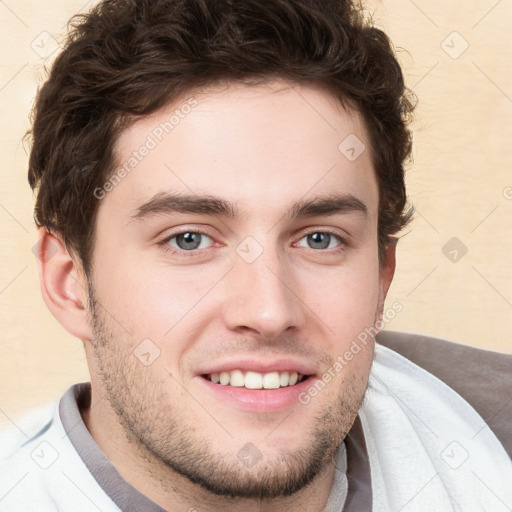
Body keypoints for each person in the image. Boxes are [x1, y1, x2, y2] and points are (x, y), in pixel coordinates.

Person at [1, 0, 511, 510]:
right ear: (70, 283)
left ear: (382, 277)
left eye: (319, 239)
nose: (269, 312)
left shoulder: (492, 435)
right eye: (189, 239)